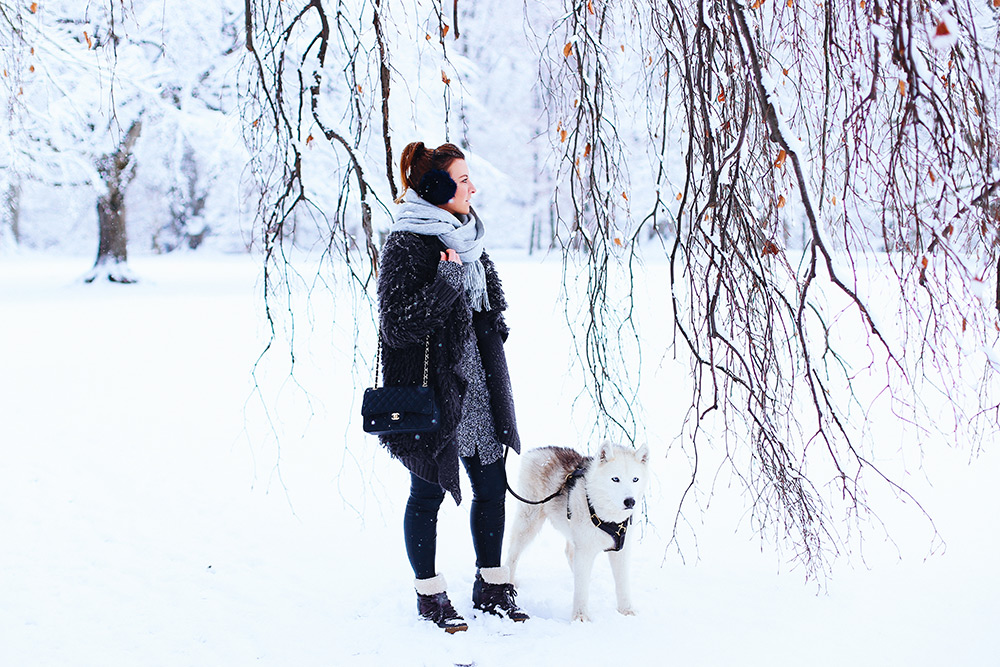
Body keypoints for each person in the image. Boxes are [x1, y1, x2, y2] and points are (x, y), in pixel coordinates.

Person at [376, 141, 529, 633]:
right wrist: (445, 281)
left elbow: (490, 304)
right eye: (462, 181)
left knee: (491, 489)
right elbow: (396, 326)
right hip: (434, 393)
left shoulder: (468, 237)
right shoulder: (405, 243)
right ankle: (430, 593)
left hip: (478, 386)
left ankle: (491, 585)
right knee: (427, 495)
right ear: (436, 188)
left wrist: (493, 327)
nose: (472, 188)